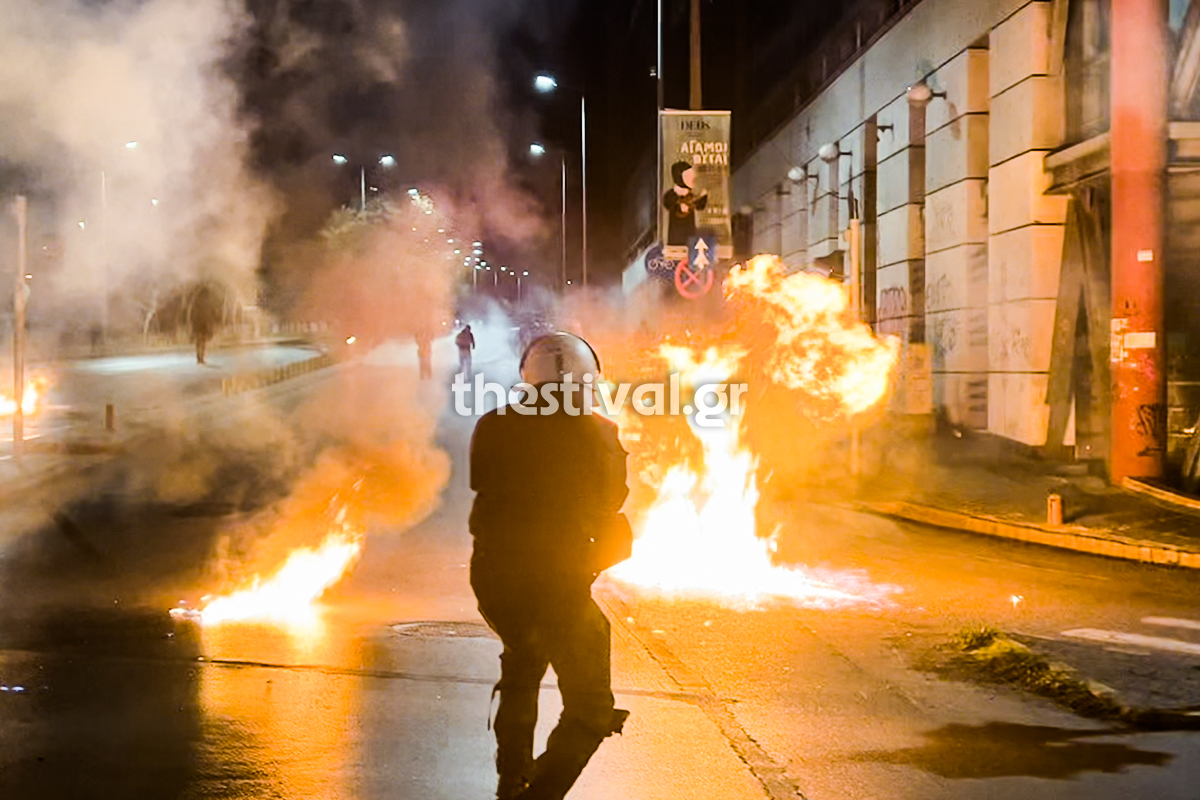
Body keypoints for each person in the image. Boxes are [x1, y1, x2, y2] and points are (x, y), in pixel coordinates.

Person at [469, 332, 632, 800]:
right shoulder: (599, 430)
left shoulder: (494, 423)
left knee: (522, 665)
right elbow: (611, 501)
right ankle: (536, 794)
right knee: (592, 707)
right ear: (586, 380)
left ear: (528, 375)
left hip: (496, 577)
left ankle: (511, 777)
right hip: (559, 583)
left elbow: (484, 482)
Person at [662, 160, 708, 247]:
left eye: (692, 175)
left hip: (690, 238)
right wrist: (680, 203)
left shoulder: (692, 195)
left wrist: (703, 197)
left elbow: (700, 206)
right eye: (688, 176)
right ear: (679, 177)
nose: (692, 178)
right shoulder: (672, 194)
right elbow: (668, 203)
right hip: (675, 238)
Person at [191, 284, 219, 365]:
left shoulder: (198, 303)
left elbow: (196, 314)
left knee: (200, 341)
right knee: (201, 341)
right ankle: (200, 357)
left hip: (201, 323)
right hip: (202, 323)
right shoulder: (203, 304)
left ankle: (200, 357)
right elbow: (210, 314)